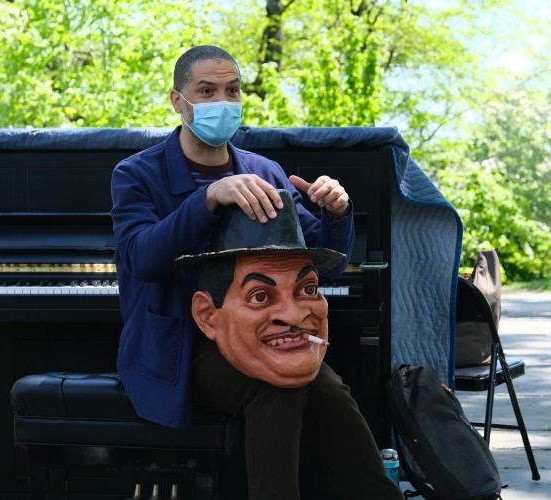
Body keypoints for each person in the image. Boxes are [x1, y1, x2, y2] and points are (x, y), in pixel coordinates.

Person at [111, 45, 403, 500]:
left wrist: (336, 213)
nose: (220, 101)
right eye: (205, 91)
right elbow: (141, 260)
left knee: (328, 388)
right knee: (278, 385)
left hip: (260, 334)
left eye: (231, 90)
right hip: (181, 348)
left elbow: (327, 264)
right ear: (177, 101)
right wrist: (207, 199)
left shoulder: (265, 171)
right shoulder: (136, 173)